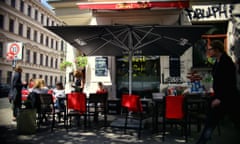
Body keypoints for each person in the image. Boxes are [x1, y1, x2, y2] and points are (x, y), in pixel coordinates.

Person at [196, 40, 238, 144]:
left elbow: (230, 84)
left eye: (210, 49)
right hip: (220, 97)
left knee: (211, 123)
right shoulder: (217, 62)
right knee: (211, 122)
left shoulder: (226, 62)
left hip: (227, 99)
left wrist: (220, 99)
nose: (208, 51)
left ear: (217, 50)